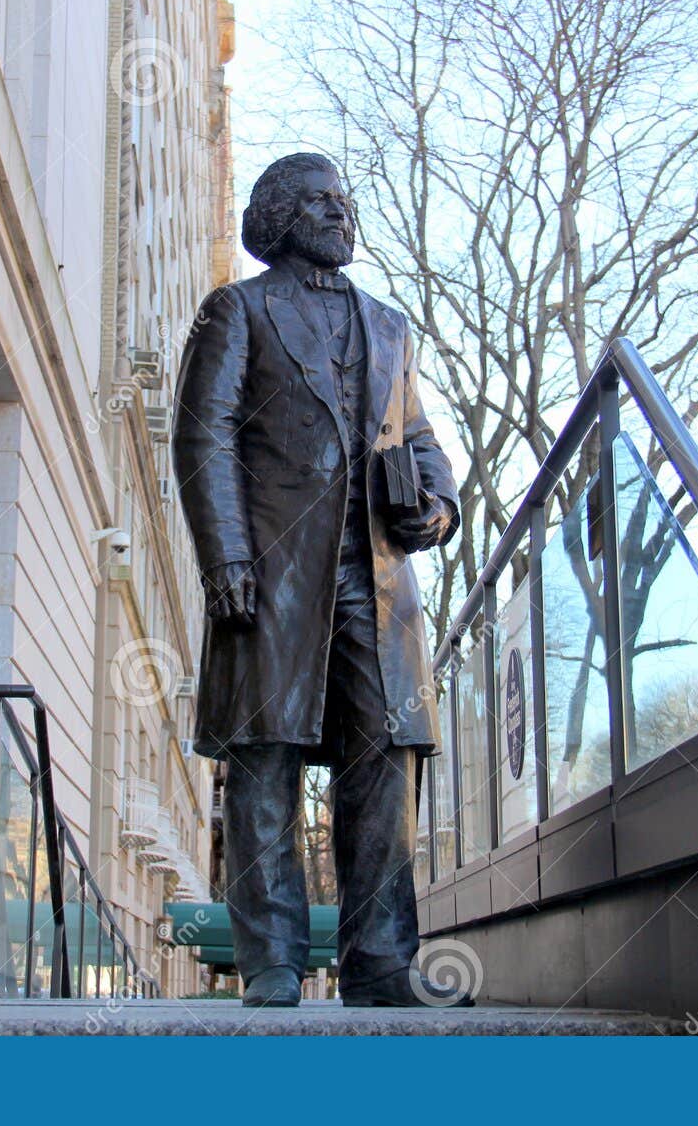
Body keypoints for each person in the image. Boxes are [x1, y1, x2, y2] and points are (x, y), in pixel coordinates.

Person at [171, 153, 470, 1008]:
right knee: (266, 754)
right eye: (321, 202)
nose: (342, 215)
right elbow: (204, 437)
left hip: (375, 578)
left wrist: (437, 507)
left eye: (346, 202)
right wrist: (224, 554)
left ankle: (380, 960)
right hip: (272, 568)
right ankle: (271, 960)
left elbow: (418, 439)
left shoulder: (387, 325)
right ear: (279, 216)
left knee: (385, 755)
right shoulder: (238, 310)